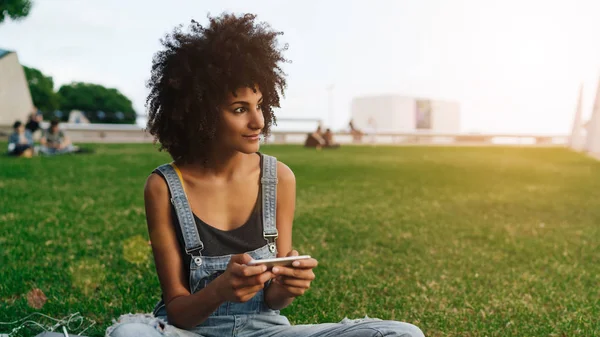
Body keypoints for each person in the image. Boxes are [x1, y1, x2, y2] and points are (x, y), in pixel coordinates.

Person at [106, 13, 424, 337]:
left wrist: (288, 286)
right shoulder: (163, 188)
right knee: (130, 334)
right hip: (190, 333)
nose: (258, 121)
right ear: (200, 113)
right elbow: (177, 311)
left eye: (260, 104)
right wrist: (219, 291)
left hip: (265, 332)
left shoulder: (279, 178)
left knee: (403, 334)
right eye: (240, 109)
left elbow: (272, 299)